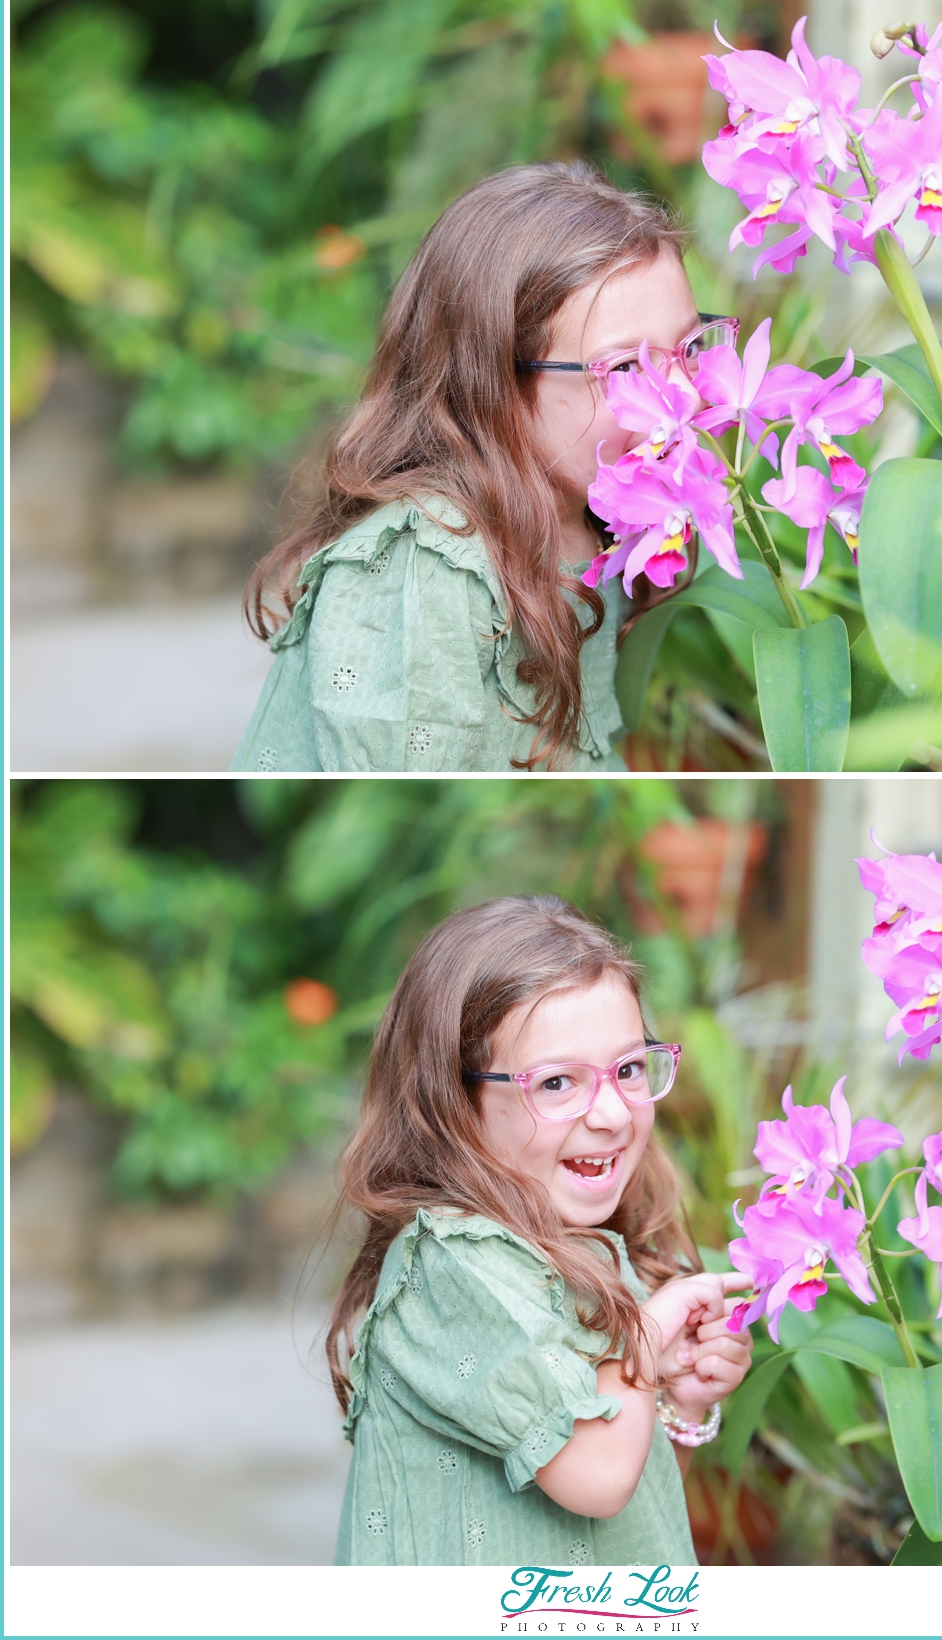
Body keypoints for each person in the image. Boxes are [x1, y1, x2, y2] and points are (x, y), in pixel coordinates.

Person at [233, 162, 737, 773]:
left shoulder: (607, 515)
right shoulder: (428, 567)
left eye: (690, 349)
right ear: (493, 380)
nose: (684, 395)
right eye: (626, 369)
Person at [328, 894, 753, 1566]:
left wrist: (683, 1401)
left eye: (630, 1068)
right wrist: (644, 1339)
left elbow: (629, 1516)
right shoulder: (454, 1270)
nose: (612, 1113)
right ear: (452, 1102)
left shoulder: (582, 1246)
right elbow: (599, 1478)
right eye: (557, 1083)